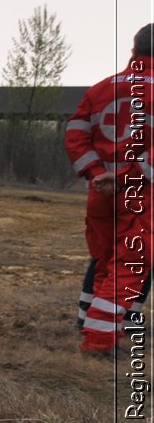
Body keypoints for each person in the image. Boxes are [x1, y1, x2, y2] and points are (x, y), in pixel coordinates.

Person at [65, 23, 151, 355]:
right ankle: (100, 339)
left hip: (100, 192)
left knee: (103, 259)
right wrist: (128, 174)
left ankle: (88, 322)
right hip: (140, 194)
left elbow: (75, 134)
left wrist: (97, 172)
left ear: (133, 51)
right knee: (131, 264)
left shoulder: (101, 88)